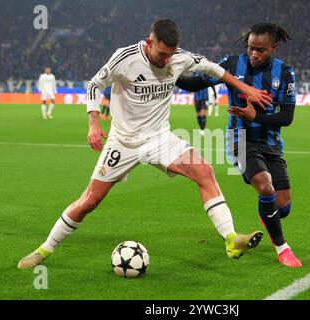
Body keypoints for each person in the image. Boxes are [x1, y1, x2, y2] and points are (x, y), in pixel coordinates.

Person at [18, 19, 273, 269]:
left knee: (204, 171)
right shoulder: (125, 58)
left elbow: (214, 69)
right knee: (90, 201)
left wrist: (245, 88)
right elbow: (95, 85)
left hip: (159, 138)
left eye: (170, 55)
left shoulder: (179, 57)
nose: (166, 61)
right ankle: (44, 250)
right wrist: (93, 124)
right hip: (123, 142)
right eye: (162, 54)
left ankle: (231, 239)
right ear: (149, 42)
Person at [176, 22, 301, 267]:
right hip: (240, 139)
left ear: (274, 48)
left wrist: (257, 117)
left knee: (282, 207)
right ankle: (283, 248)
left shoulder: (284, 72)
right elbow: (196, 83)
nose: (254, 54)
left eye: (261, 50)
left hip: (272, 144)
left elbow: (287, 117)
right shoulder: (232, 64)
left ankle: (269, 213)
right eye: (251, 48)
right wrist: (170, 73)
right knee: (265, 187)